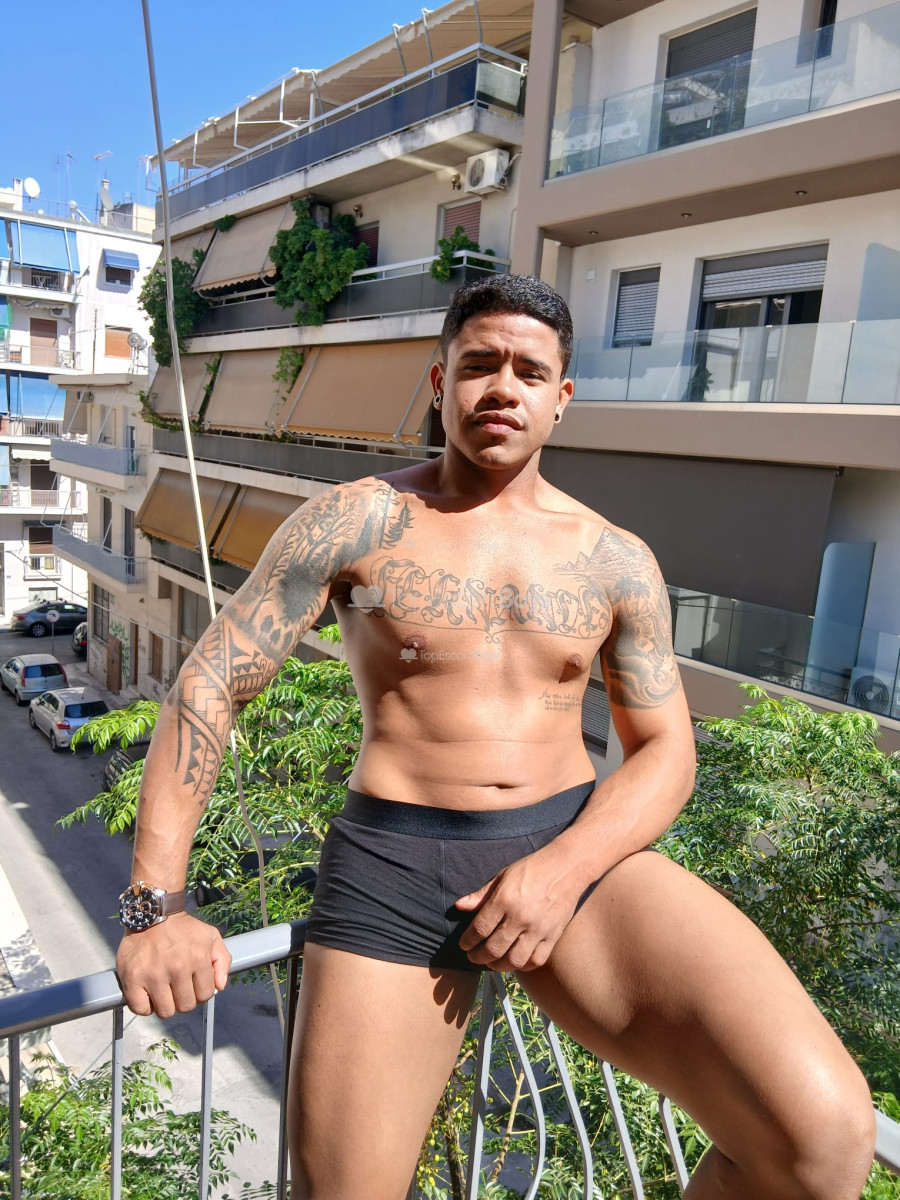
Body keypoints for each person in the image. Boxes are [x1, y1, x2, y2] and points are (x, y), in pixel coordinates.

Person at [117, 275, 875, 1199]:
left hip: (570, 851)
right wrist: (157, 905)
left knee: (821, 1141)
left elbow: (667, 752)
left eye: (529, 371)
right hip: (393, 868)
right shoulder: (356, 520)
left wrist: (560, 872)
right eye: (479, 364)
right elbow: (210, 683)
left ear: (562, 398)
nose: (502, 388)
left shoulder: (615, 559)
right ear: (441, 382)